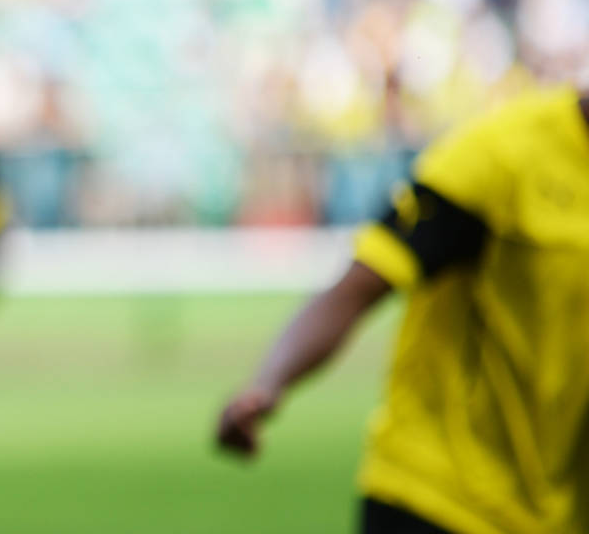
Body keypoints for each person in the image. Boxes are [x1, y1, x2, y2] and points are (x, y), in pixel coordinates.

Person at [216, 85, 589, 533]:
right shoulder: (500, 155)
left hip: (552, 515)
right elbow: (358, 285)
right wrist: (268, 383)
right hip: (436, 495)